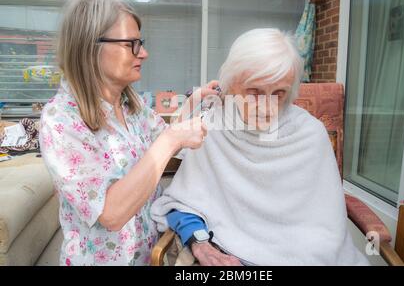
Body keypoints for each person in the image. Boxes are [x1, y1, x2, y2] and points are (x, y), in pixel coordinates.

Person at [151, 28, 369, 266]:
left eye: (278, 93)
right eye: (254, 92)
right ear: (230, 85)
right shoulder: (211, 127)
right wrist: (201, 245)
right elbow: (185, 202)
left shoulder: (310, 134)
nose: (265, 107)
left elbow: (326, 229)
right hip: (229, 252)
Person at [39, 0, 218, 266]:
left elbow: (164, 139)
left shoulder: (131, 105)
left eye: (141, 43)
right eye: (131, 44)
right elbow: (111, 213)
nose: (143, 53)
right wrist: (172, 138)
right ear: (90, 47)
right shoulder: (60, 120)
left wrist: (194, 103)